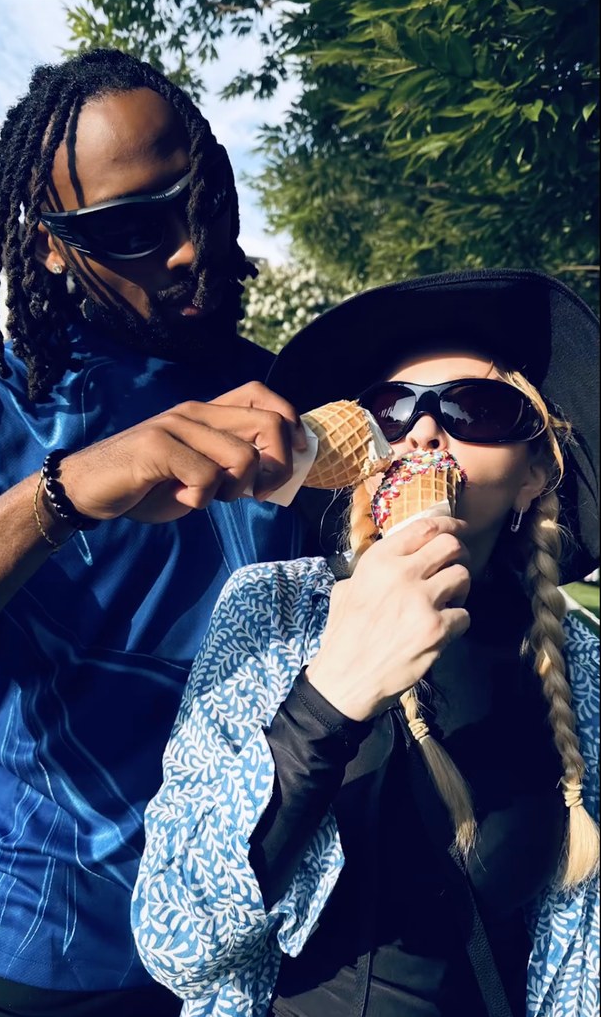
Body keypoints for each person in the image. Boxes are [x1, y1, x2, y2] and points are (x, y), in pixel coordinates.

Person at [132, 270, 600, 1017]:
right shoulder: (272, 611)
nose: (422, 431)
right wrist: (330, 695)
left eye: (476, 407)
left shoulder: (579, 666)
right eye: (392, 409)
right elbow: (173, 937)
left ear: (537, 471)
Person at [0, 48, 313, 1016]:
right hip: (46, 943)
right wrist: (67, 491)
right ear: (47, 246)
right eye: (128, 230)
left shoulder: (295, 398)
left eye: (194, 198)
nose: (187, 249)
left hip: (248, 944)